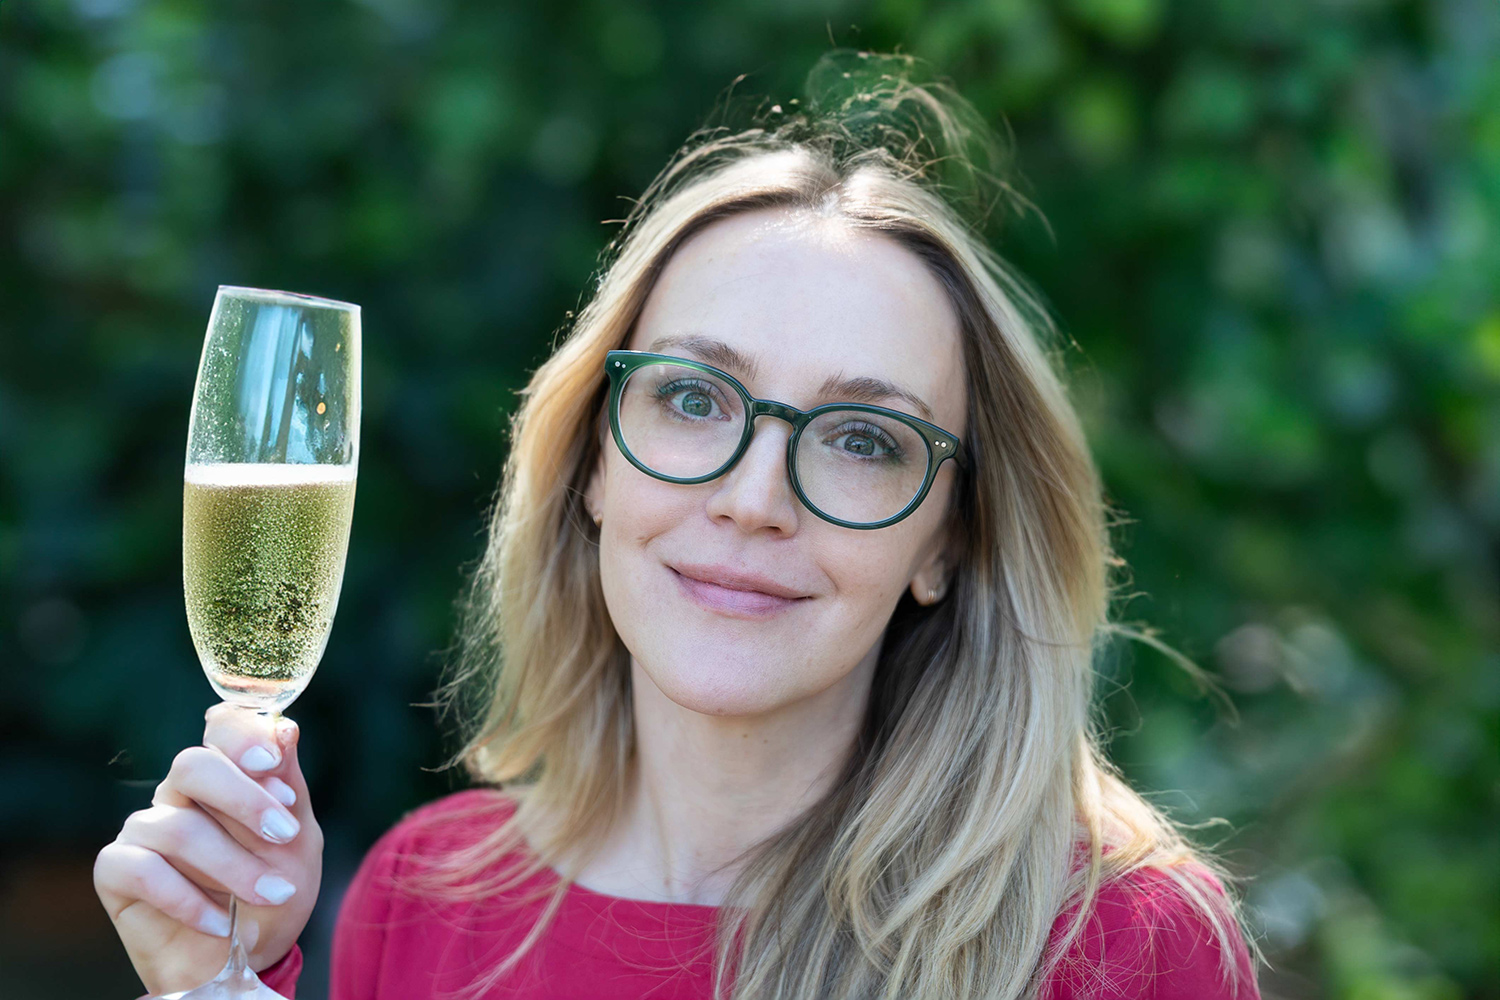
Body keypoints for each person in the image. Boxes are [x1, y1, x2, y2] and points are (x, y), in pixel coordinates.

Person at [94, 52, 1263, 1000]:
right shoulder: (424, 895)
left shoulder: (1120, 948)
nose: (755, 498)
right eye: (694, 400)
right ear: (594, 458)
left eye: (863, 439)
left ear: (947, 544)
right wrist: (215, 991)